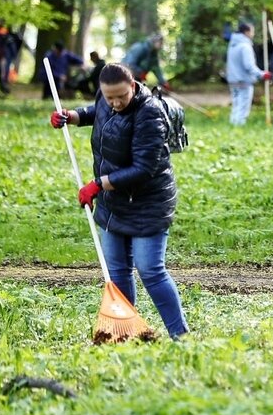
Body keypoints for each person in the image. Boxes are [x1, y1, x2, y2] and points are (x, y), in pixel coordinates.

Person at [49, 63, 189, 339]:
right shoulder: (106, 99)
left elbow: (143, 169)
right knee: (117, 271)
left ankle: (180, 335)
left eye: (121, 97)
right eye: (109, 96)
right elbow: (96, 112)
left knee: (150, 270)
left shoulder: (150, 114)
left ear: (133, 87)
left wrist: (98, 184)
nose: (115, 103)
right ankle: (127, 331)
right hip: (115, 202)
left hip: (148, 202)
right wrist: (72, 116)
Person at [225, 22, 272, 126]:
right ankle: (239, 126)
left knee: (236, 104)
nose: (253, 34)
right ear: (246, 32)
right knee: (243, 106)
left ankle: (233, 124)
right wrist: (262, 74)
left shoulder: (232, 44)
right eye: (252, 31)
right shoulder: (245, 46)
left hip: (233, 79)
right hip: (244, 80)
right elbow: (249, 66)